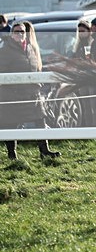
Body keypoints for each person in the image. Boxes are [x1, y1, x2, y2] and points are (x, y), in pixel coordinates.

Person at [0, 22, 60, 160]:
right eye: (16, 31)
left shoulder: (30, 48)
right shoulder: (5, 51)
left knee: (40, 120)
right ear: (11, 33)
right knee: (11, 124)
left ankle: (44, 151)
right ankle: (12, 155)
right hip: (13, 95)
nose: (20, 33)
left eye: (22, 31)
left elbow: (36, 69)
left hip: (33, 93)